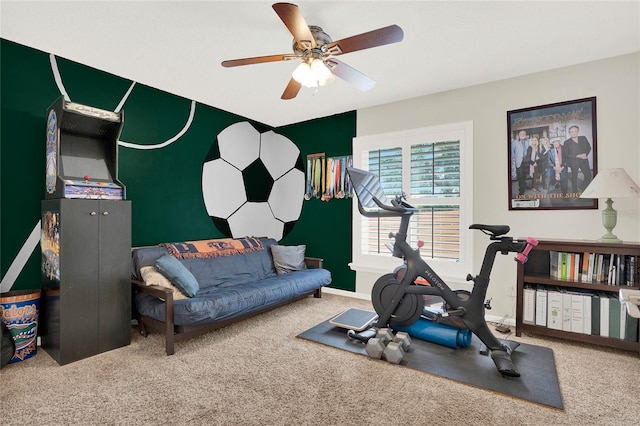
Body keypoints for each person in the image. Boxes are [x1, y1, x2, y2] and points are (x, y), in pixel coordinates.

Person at [563, 125, 592, 192]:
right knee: (574, 177)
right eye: (572, 132)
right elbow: (566, 154)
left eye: (575, 131)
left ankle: (584, 188)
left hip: (584, 160)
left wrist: (585, 154)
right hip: (573, 162)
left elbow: (588, 147)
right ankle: (575, 191)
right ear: (569, 133)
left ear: (578, 131)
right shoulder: (567, 142)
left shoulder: (583, 138)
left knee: (588, 175)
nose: (574, 133)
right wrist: (577, 156)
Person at [511, 130, 529, 196]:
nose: (522, 134)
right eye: (521, 133)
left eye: (524, 133)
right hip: (519, 162)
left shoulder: (528, 141)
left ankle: (523, 185)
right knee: (520, 176)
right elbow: (512, 152)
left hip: (526, 161)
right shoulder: (514, 142)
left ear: (526, 135)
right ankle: (521, 191)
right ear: (519, 134)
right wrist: (514, 159)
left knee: (524, 176)